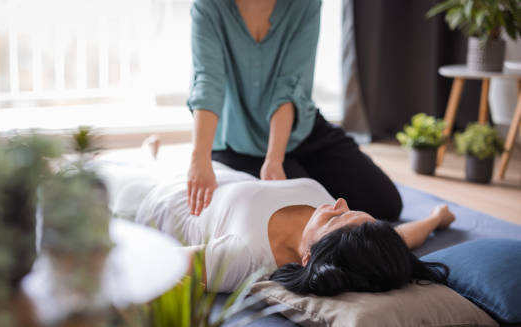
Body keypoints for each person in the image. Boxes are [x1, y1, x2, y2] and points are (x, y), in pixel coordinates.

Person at [186, 0, 403, 221]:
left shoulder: (305, 4)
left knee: (386, 204)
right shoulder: (208, 6)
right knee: (311, 216)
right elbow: (207, 82)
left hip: (299, 129)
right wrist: (199, 158)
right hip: (239, 141)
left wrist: (274, 158)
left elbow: (289, 86)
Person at [136, 165, 451, 294]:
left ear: (307, 257)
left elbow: (156, 261)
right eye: (352, 209)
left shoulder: (244, 257)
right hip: (214, 170)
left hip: (159, 198)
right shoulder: (357, 240)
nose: (339, 202)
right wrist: (437, 217)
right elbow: (402, 238)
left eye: (335, 217)